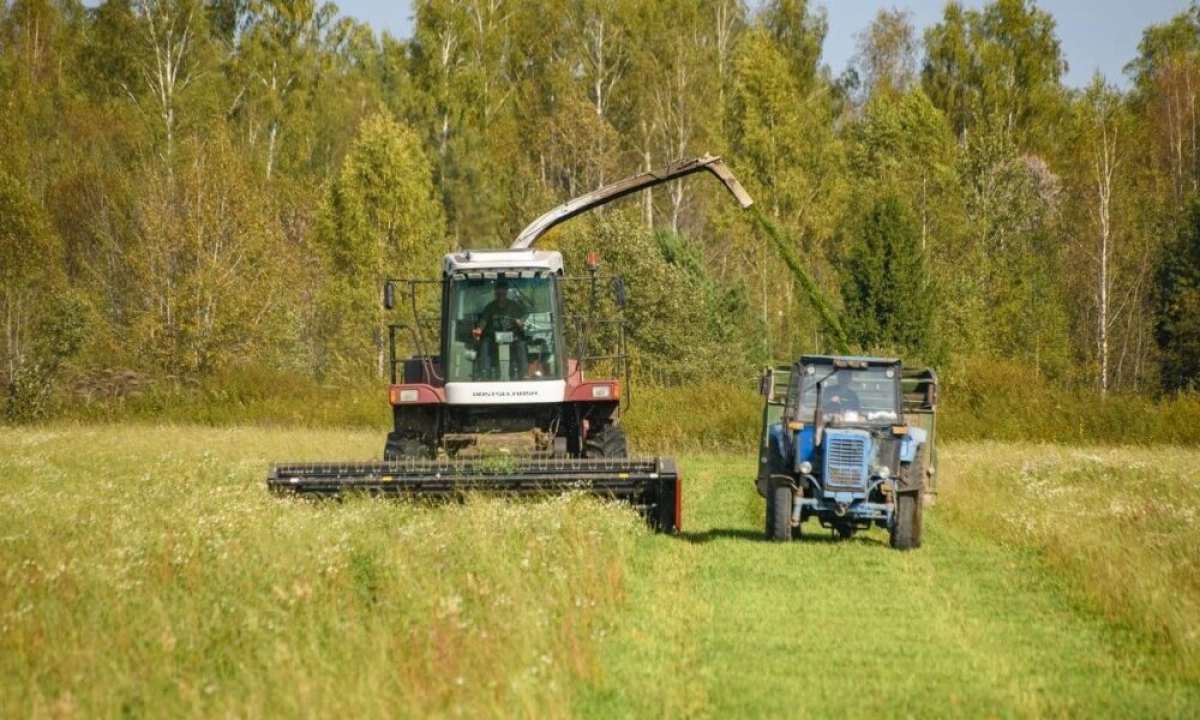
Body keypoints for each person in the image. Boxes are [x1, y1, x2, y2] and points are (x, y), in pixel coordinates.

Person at [472, 280, 529, 379]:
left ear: (506, 291)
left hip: (512, 336)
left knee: (521, 343)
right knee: (484, 343)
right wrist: (478, 331)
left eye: (503, 291)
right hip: (493, 338)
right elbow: (482, 324)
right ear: (495, 292)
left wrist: (520, 323)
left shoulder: (514, 306)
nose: (501, 293)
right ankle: (485, 374)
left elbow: (522, 322)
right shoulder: (489, 307)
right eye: (499, 291)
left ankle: (523, 374)